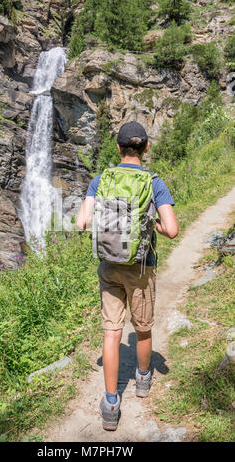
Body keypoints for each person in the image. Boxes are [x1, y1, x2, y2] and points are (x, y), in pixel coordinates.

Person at [76, 121, 178, 431]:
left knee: (112, 332)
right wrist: (153, 225)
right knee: (143, 328)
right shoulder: (154, 183)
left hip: (109, 265)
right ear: (146, 148)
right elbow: (171, 230)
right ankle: (143, 381)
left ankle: (110, 404)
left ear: (118, 148)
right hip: (141, 266)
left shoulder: (101, 180)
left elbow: (82, 222)